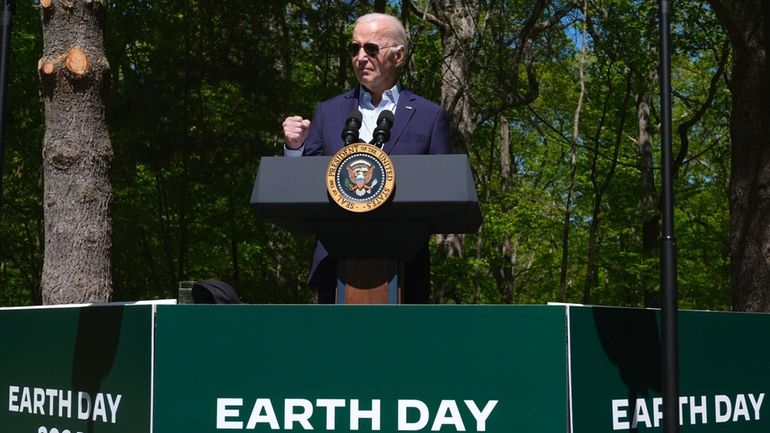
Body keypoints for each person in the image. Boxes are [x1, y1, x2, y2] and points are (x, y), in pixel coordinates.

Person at [282, 12, 452, 303]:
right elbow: (303, 186)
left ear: (397, 57)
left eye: (371, 49)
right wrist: (295, 148)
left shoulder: (429, 116)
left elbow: (446, 190)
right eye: (354, 48)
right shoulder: (329, 111)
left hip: (405, 268)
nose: (361, 57)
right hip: (334, 265)